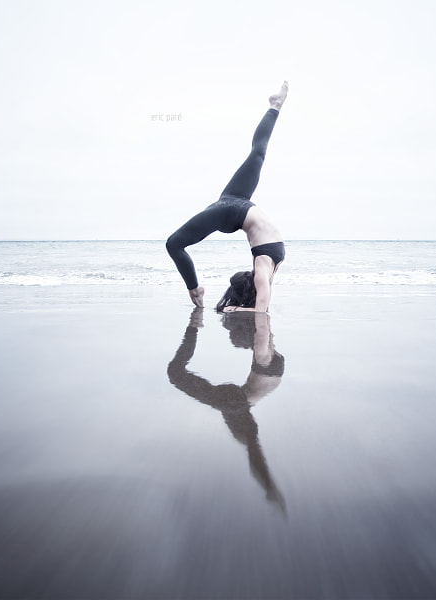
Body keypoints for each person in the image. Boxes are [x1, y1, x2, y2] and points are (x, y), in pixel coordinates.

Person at [166, 81, 288, 312]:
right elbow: (261, 308)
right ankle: (275, 105)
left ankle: (195, 288)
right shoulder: (264, 270)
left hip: (231, 210)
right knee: (258, 152)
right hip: (235, 201)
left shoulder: (267, 266)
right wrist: (245, 309)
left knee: (174, 244)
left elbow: (261, 306)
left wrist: (240, 308)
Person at [167, 308, 286, 511]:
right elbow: (264, 326)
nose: (230, 337)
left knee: (175, 373)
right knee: (251, 445)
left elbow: (263, 329)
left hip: (234, 401)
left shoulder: (265, 353)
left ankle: (193, 327)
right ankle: (194, 327)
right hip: (238, 401)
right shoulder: (267, 353)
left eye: (232, 332)